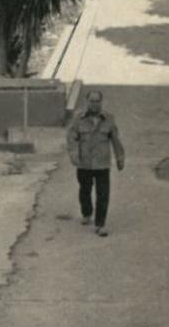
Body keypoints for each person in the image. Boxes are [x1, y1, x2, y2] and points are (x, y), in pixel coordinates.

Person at [66, 89, 125, 237]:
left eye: (97, 101)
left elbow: (115, 139)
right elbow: (72, 137)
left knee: (103, 194)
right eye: (92, 101)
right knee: (85, 190)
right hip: (84, 162)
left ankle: (100, 224)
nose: (94, 104)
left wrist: (120, 157)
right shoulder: (78, 118)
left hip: (102, 163)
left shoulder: (109, 119)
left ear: (101, 102)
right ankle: (87, 213)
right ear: (87, 102)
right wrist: (73, 154)